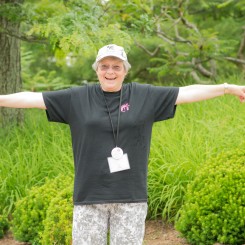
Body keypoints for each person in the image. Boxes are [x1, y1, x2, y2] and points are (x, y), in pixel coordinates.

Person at [0, 44, 245, 245]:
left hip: (131, 198)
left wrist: (228, 88)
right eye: (104, 66)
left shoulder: (143, 95)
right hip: (89, 198)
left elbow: (186, 92)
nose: (110, 71)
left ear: (125, 71)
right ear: (97, 69)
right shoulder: (77, 98)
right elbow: (32, 98)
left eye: (116, 66)